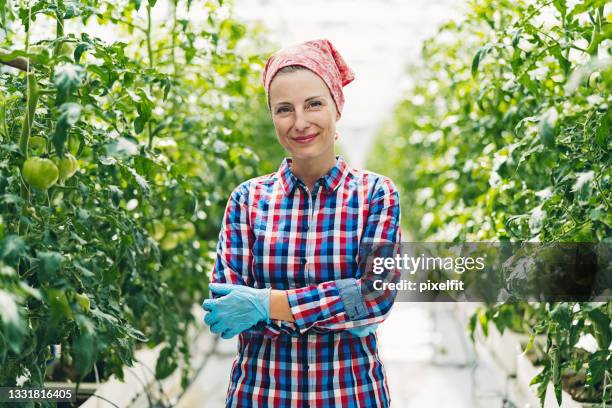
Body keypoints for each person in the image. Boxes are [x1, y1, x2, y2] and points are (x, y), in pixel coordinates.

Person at [202, 38, 402, 408]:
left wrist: (264, 304)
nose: (300, 122)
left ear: (336, 107)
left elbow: (376, 296)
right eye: (284, 109)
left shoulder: (376, 194)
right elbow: (226, 307)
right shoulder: (247, 200)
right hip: (260, 395)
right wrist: (344, 309)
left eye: (314, 104)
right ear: (272, 117)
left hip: (351, 395)